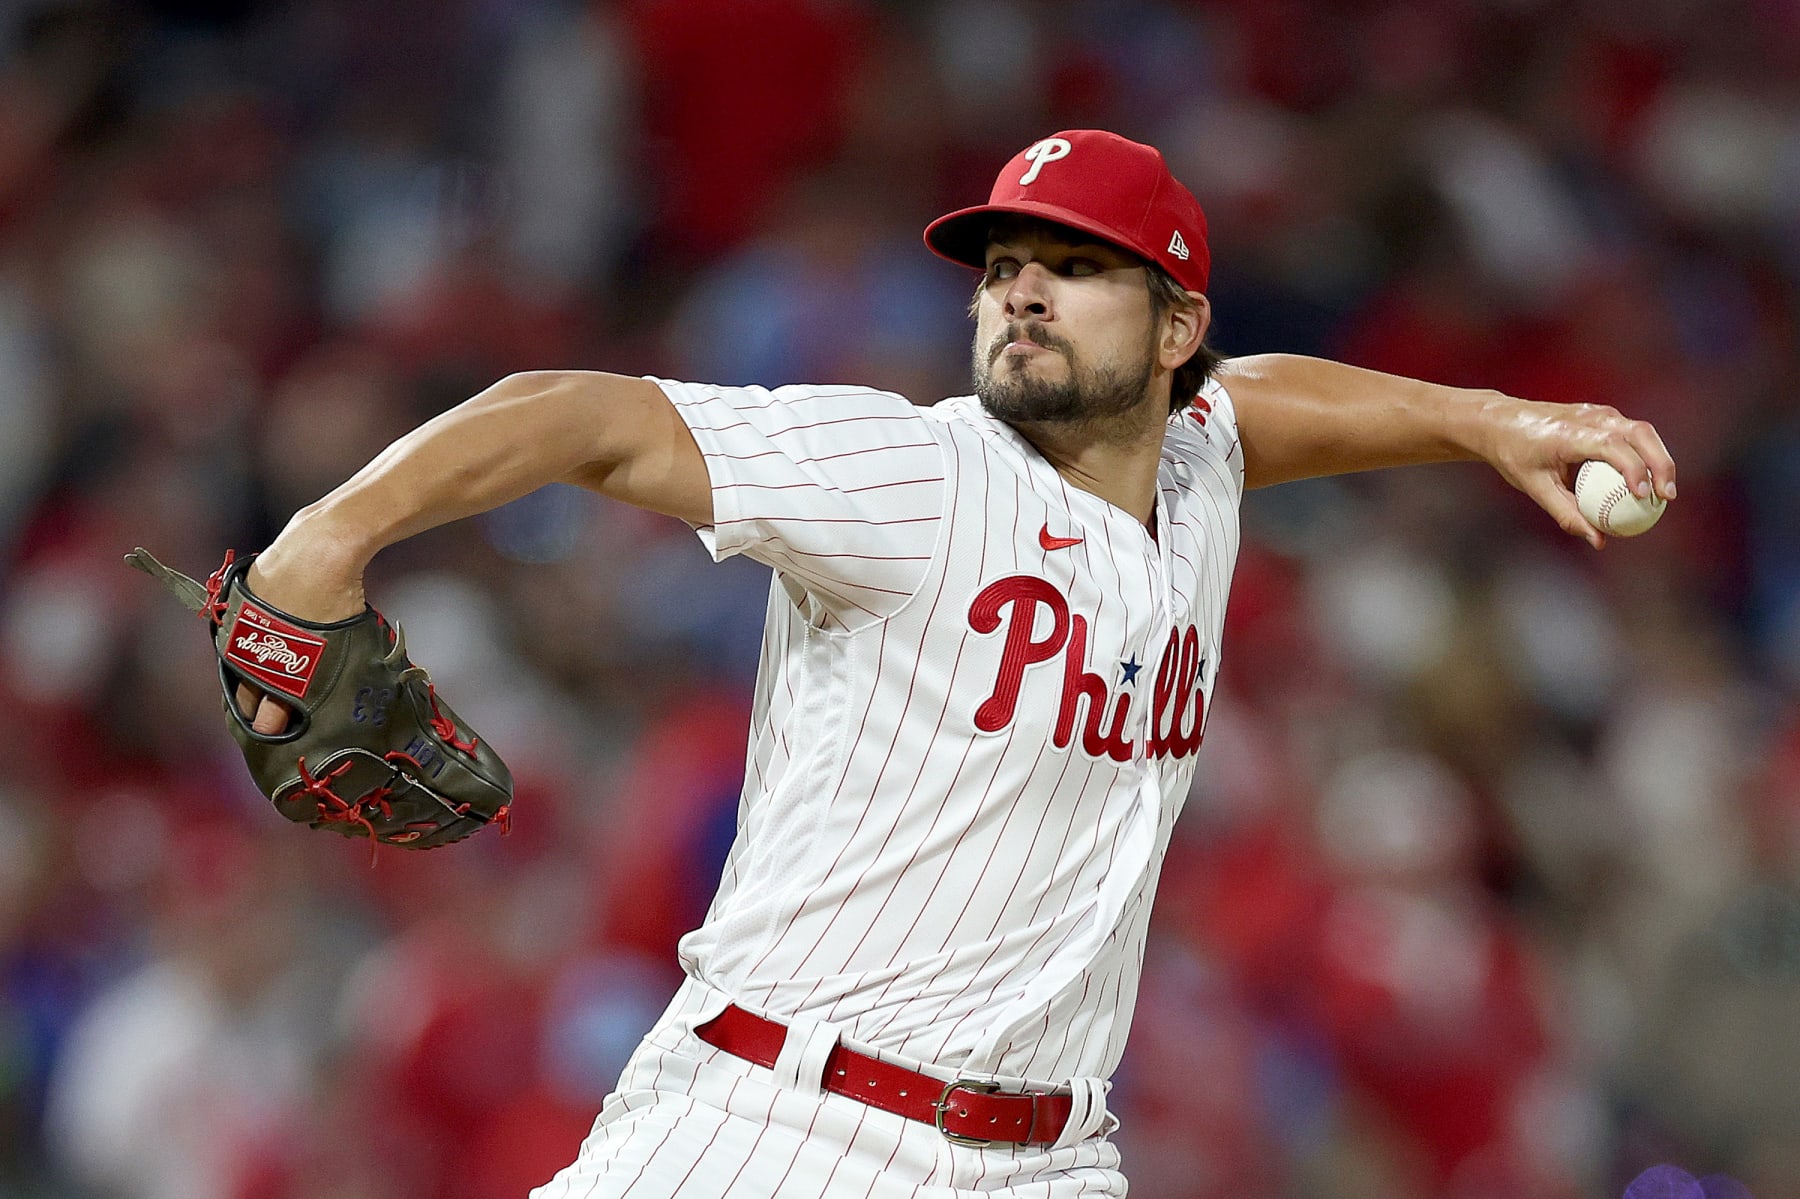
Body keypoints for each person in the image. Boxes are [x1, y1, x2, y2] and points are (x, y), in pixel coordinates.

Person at [236, 130, 1676, 1196]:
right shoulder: (917, 472)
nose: (1025, 294)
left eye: (1077, 270)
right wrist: (320, 546)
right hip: (776, 1130)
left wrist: (1492, 418)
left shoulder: (1200, 466)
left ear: (1178, 333)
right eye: (1007, 268)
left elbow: (1268, 407)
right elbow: (576, 417)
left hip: (1052, 1158)